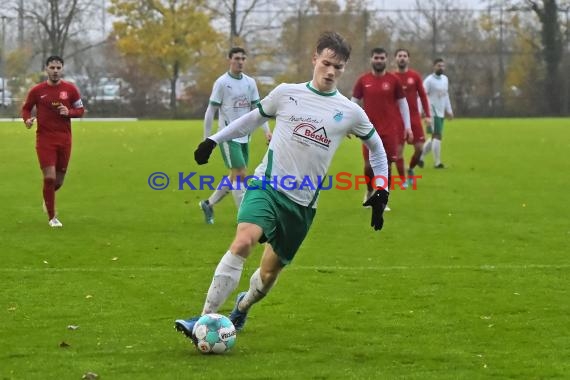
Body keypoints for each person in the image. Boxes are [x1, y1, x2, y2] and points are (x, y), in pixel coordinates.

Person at [175, 32, 390, 342]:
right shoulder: (286, 93)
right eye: (326, 63)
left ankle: (243, 306)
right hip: (267, 187)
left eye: (338, 67)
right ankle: (204, 318)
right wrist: (213, 140)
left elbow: (378, 149)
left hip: (301, 206)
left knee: (267, 275)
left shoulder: (350, 112)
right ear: (315, 58)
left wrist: (381, 190)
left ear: (344, 69)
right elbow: (251, 119)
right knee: (243, 242)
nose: (330, 72)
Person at [198, 47, 272, 224]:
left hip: (245, 135)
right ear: (229, 60)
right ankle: (244, 218)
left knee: (235, 176)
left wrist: (267, 130)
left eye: (243, 58)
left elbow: (258, 109)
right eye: (237, 58)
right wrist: (207, 140)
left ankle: (208, 204)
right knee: (240, 174)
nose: (240, 61)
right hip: (227, 136)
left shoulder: (250, 82)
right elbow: (211, 110)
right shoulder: (222, 83)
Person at [21, 55, 85, 228]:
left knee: (58, 181)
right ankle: (52, 217)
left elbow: (80, 110)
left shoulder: (70, 90)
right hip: (45, 140)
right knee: (49, 178)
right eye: (52, 68)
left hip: (64, 140)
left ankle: (47, 197)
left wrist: (69, 112)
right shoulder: (37, 91)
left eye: (58, 68)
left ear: (62, 69)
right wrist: (26, 120)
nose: (55, 71)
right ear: (46, 69)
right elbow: (26, 108)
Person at [351, 47, 412, 209]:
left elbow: (403, 104)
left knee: (387, 165)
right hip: (368, 130)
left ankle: (382, 199)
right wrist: (349, 124)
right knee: (369, 166)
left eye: (382, 58)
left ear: (386, 60)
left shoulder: (393, 81)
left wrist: (408, 127)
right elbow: (353, 103)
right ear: (371, 59)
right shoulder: (363, 80)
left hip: (389, 130)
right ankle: (370, 191)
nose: (379, 61)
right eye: (376, 58)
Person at [393, 49, 431, 186]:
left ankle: (411, 169)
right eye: (400, 56)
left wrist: (427, 115)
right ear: (395, 59)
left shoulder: (414, 76)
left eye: (404, 56)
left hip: (414, 118)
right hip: (397, 119)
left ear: (408, 59)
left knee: (420, 148)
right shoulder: (391, 77)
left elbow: (423, 96)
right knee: (398, 152)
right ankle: (403, 180)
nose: (402, 58)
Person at [418, 58, 453, 169]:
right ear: (434, 67)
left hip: (441, 111)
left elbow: (445, 95)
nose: (441, 68)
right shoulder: (429, 81)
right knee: (437, 136)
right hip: (432, 111)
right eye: (439, 65)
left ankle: (420, 157)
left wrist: (449, 110)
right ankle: (437, 163)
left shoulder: (445, 79)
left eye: (442, 66)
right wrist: (421, 110)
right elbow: (421, 96)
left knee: (434, 137)